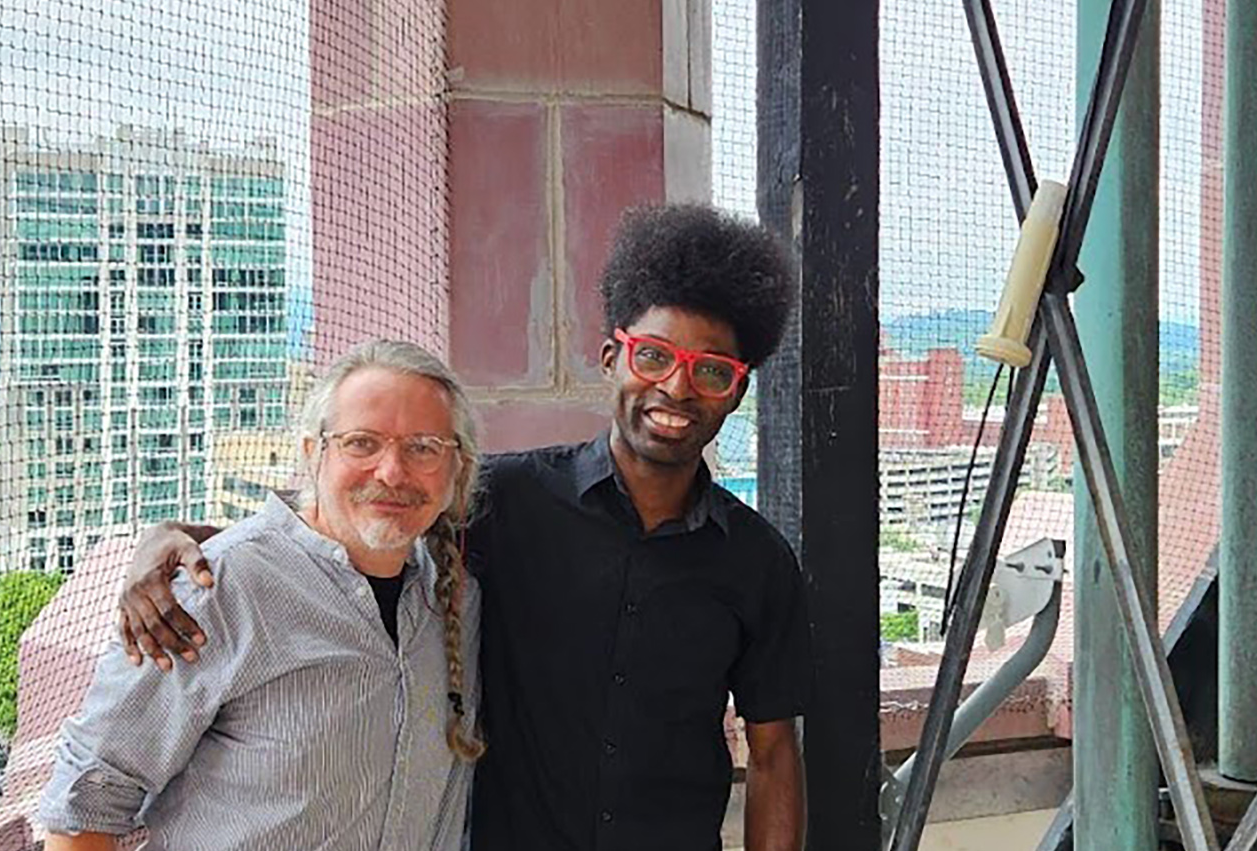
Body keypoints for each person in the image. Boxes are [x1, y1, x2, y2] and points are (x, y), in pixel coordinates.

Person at [121, 203, 813, 850]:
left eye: (711, 371)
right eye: (654, 356)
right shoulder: (505, 498)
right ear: (613, 360)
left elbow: (775, 749)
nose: (677, 387)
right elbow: (351, 523)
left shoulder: (758, 561)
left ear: (737, 389)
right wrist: (177, 533)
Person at [37, 341, 483, 850]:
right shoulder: (216, 590)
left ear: (458, 469)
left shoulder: (456, 600)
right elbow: (87, 802)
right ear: (314, 453)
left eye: (423, 447)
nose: (391, 471)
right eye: (361, 443)